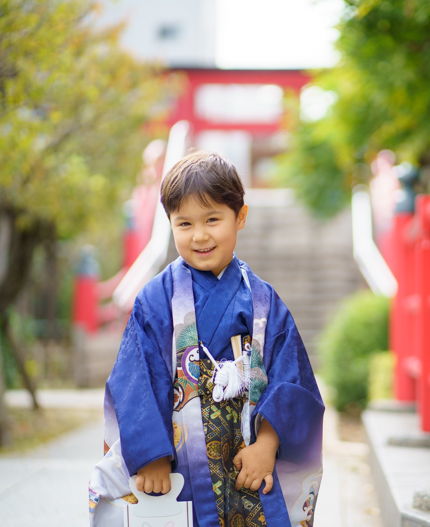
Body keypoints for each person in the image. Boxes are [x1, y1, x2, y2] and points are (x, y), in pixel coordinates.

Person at [88, 152, 324, 526]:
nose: (199, 235)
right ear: (169, 224)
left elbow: (290, 379)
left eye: (212, 219)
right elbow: (137, 379)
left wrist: (267, 444)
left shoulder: (265, 302)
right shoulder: (155, 300)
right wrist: (151, 455)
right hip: (179, 461)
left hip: (250, 460)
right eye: (184, 223)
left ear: (240, 216)